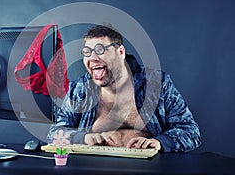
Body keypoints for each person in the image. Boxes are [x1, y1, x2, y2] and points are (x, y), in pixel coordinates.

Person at [47, 24, 201, 152]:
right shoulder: (80, 90)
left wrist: (159, 142)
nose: (92, 58)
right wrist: (84, 138)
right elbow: (54, 134)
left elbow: (191, 131)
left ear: (120, 52)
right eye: (87, 52)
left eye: (100, 50)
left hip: (146, 169)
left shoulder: (157, 84)